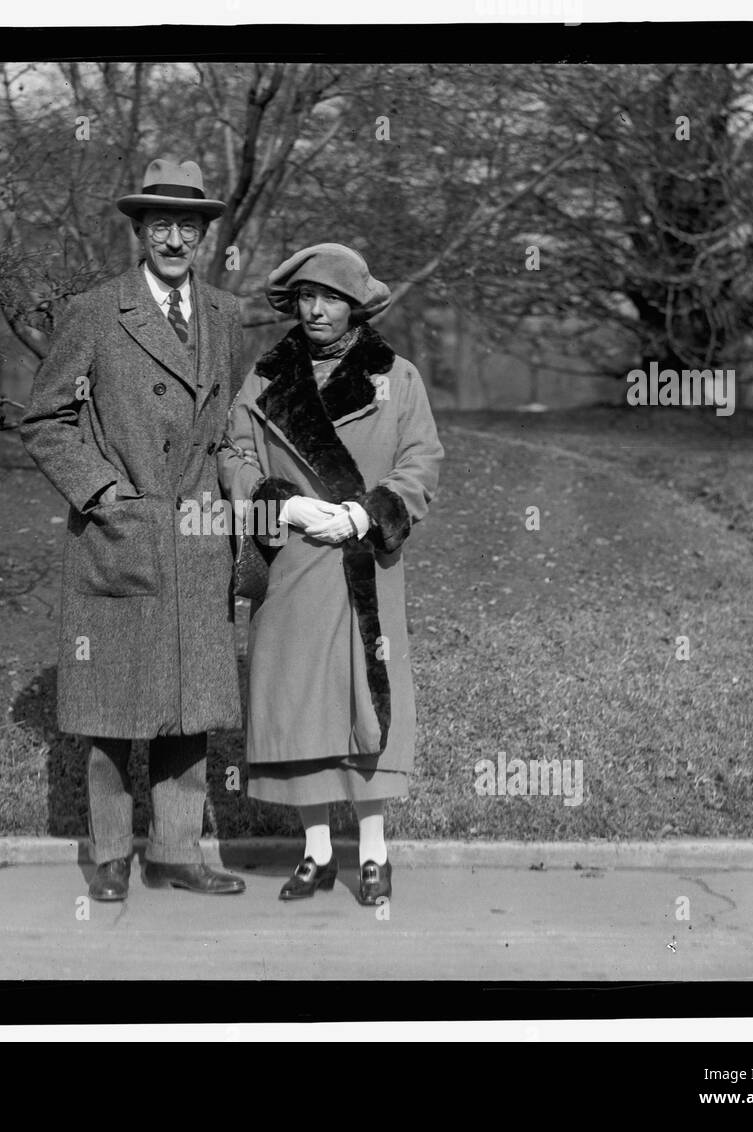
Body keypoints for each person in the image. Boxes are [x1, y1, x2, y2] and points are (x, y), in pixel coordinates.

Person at [19, 159, 247, 902]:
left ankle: (177, 851)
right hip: (121, 530)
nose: (174, 239)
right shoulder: (96, 310)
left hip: (201, 532)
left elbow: (235, 421)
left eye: (187, 226)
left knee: (192, 706)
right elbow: (45, 418)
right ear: (138, 233)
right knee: (114, 706)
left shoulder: (226, 314)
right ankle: (112, 852)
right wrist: (102, 490)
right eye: (159, 227)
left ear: (205, 236)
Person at [219, 243, 443, 905]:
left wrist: (362, 516)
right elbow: (232, 454)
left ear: (355, 306)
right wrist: (279, 501)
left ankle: (373, 856)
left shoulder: (395, 377)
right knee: (300, 706)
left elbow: (422, 461)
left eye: (332, 298)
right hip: (291, 563)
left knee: (365, 706)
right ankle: (316, 854)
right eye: (307, 297)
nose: (317, 309)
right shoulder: (263, 379)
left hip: (362, 564)